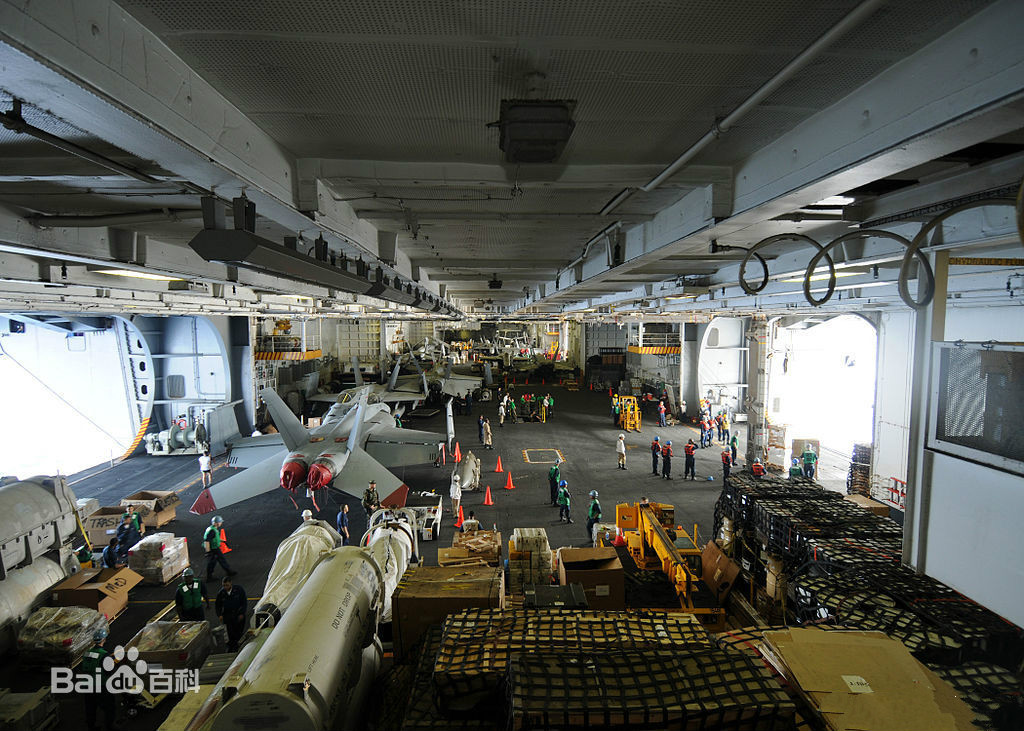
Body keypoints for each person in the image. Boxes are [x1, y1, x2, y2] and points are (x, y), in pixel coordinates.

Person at [81, 627, 116, 731]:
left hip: (88, 686)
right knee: (110, 706)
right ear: (104, 639)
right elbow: (109, 671)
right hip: (101, 686)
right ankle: (110, 726)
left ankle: (91, 727)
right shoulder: (104, 655)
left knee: (90, 708)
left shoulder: (87, 653)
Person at [216, 576, 248, 653]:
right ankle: (231, 647)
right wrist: (219, 615)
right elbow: (218, 605)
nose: (225, 587)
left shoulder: (239, 590)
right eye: (223, 585)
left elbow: (244, 602)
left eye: (227, 585)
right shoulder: (221, 593)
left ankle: (239, 646)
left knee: (239, 631)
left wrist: (242, 613)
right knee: (230, 632)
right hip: (228, 616)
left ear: (231, 583)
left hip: (238, 615)